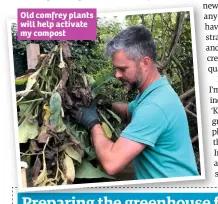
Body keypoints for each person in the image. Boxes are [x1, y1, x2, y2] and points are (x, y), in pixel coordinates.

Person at [70, 25, 199, 179]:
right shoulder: (155, 92)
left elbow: (112, 163)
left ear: (145, 63)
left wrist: (92, 123)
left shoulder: (154, 107)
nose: (117, 75)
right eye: (116, 68)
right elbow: (128, 111)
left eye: (123, 69)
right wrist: (108, 104)